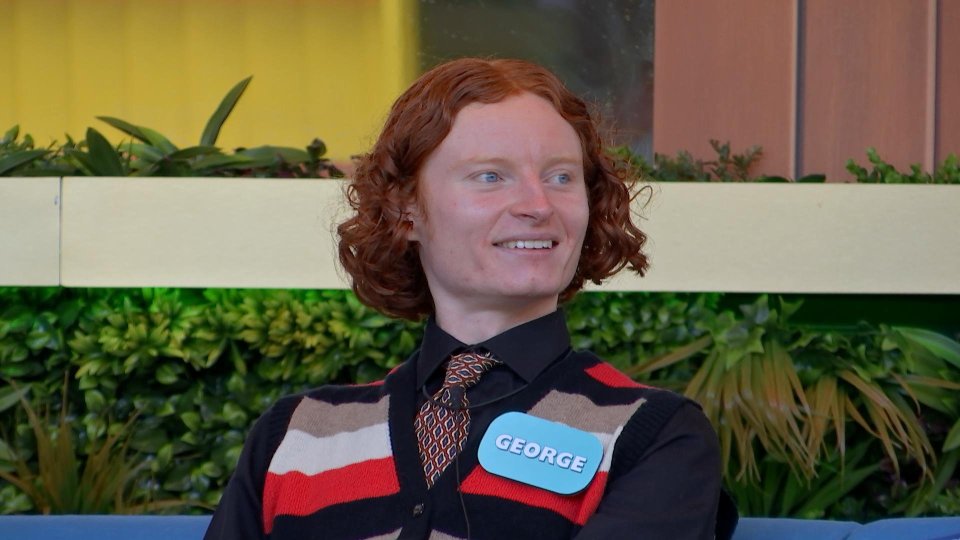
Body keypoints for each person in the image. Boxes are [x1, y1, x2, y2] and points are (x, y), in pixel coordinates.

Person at [205, 57, 733, 539]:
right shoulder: (294, 434)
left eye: (561, 177)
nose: (537, 204)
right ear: (405, 209)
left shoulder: (649, 435)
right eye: (490, 176)